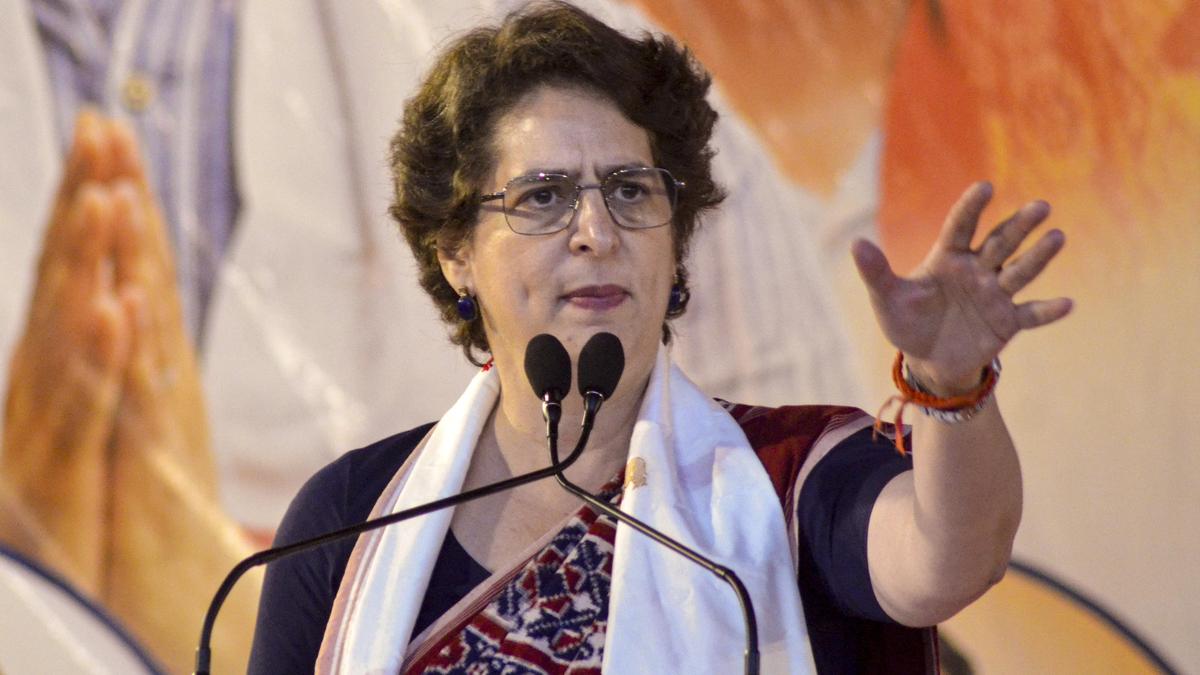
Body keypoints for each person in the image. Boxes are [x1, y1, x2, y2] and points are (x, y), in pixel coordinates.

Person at [249, 3, 1071, 673]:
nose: (596, 231)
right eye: (543, 197)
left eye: (631, 189)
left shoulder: (782, 481)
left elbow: (949, 556)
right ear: (456, 253)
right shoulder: (352, 521)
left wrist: (950, 382)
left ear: (675, 242)